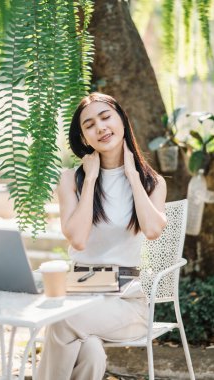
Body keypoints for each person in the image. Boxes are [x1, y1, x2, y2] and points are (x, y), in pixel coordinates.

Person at [37, 92, 167, 380]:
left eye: (106, 117)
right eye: (89, 124)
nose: (100, 127)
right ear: (84, 137)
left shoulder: (151, 182)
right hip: (79, 291)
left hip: (126, 303)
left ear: (121, 119)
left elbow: (153, 230)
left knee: (59, 321)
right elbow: (78, 240)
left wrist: (133, 177)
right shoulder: (71, 179)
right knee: (91, 352)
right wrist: (92, 178)